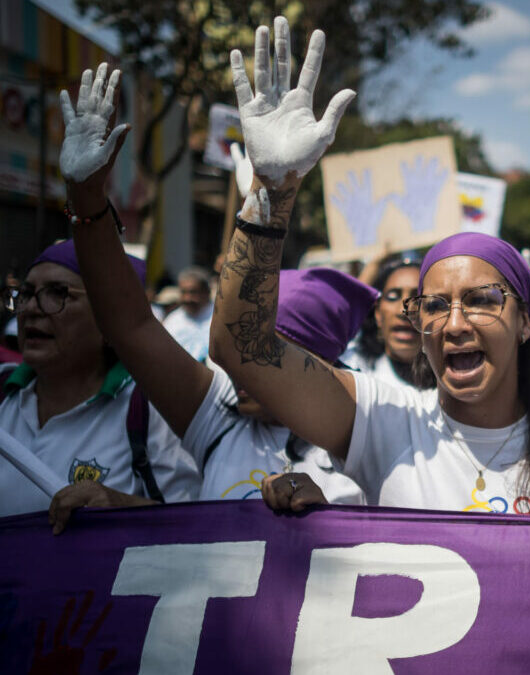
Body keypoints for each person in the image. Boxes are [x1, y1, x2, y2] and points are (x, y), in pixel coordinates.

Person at [210, 17, 530, 515]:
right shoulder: (384, 421)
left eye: (480, 301)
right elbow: (241, 348)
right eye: (434, 306)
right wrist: (270, 193)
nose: (453, 325)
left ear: (524, 321)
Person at [45, 63, 374, 533]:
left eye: (264, 353)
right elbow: (130, 327)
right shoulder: (217, 419)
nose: (240, 366)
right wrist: (87, 202)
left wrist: (323, 517)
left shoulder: (365, 436)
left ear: (316, 363)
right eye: (240, 353)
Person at [0, 241, 200, 518]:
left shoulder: (150, 410)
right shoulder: (3, 393)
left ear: (110, 320)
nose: (32, 308)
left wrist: (120, 507)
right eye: (26, 293)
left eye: (58, 294)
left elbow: (195, 522)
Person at [344, 256, 428, 388]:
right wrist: (376, 261)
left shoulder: (459, 380)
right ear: (378, 314)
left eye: (417, 299)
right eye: (393, 297)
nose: (403, 311)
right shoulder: (354, 369)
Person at [162, 266, 215, 362]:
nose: (187, 298)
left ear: (206, 292)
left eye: (193, 292)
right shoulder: (172, 321)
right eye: (183, 292)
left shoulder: (218, 318)